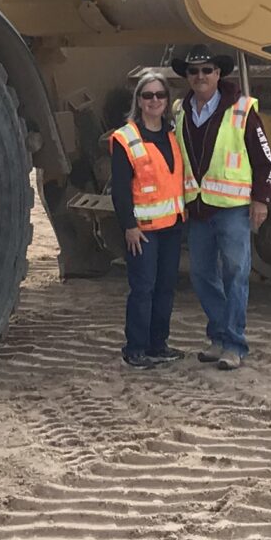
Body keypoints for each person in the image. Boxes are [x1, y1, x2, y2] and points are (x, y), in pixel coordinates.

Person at [172, 45, 271, 370]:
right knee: (202, 275)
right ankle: (219, 335)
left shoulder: (243, 110)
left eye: (207, 70)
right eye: (193, 71)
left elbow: (267, 162)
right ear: (187, 77)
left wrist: (261, 200)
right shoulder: (180, 112)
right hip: (199, 209)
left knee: (235, 274)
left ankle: (234, 344)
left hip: (232, 209)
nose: (200, 76)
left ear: (219, 73)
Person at [106, 69, 185, 367]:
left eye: (160, 95)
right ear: (139, 100)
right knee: (143, 289)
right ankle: (136, 348)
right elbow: (121, 189)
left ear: (167, 100)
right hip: (142, 230)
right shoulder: (126, 138)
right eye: (148, 95)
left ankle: (158, 344)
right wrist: (129, 225)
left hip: (172, 227)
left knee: (165, 288)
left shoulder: (173, 135)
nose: (154, 100)